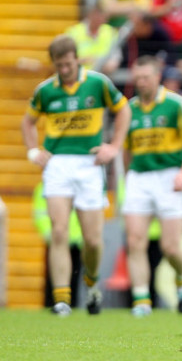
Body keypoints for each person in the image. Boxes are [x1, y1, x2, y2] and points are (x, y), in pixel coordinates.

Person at [21, 35, 131, 316]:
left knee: (92, 240)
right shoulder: (46, 90)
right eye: (60, 66)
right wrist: (33, 150)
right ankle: (62, 299)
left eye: (68, 64)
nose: (65, 70)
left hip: (89, 163)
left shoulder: (98, 83)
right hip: (58, 164)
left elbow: (124, 110)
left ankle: (92, 285)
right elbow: (28, 121)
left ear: (76, 58)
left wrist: (114, 146)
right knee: (58, 231)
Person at [122, 55, 182, 317]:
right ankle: (141, 300)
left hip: (170, 176)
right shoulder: (129, 109)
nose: (141, 82)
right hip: (139, 176)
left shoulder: (175, 104)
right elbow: (125, 150)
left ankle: (181, 282)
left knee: (170, 247)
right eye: (137, 78)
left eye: (145, 77)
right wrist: (127, 177)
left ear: (157, 77)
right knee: (135, 241)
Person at [33, 182, 83, 308]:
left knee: (75, 278)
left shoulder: (80, 185)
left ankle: (71, 305)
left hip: (76, 242)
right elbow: (39, 213)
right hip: (56, 241)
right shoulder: (44, 187)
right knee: (53, 278)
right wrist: (49, 235)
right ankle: (52, 304)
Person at [65, 6, 121, 75]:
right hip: (79, 74)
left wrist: (111, 63)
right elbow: (66, 57)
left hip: (102, 75)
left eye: (101, 17)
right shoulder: (74, 32)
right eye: (96, 16)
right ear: (90, 15)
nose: (98, 19)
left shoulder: (111, 32)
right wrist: (83, 60)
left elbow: (116, 55)